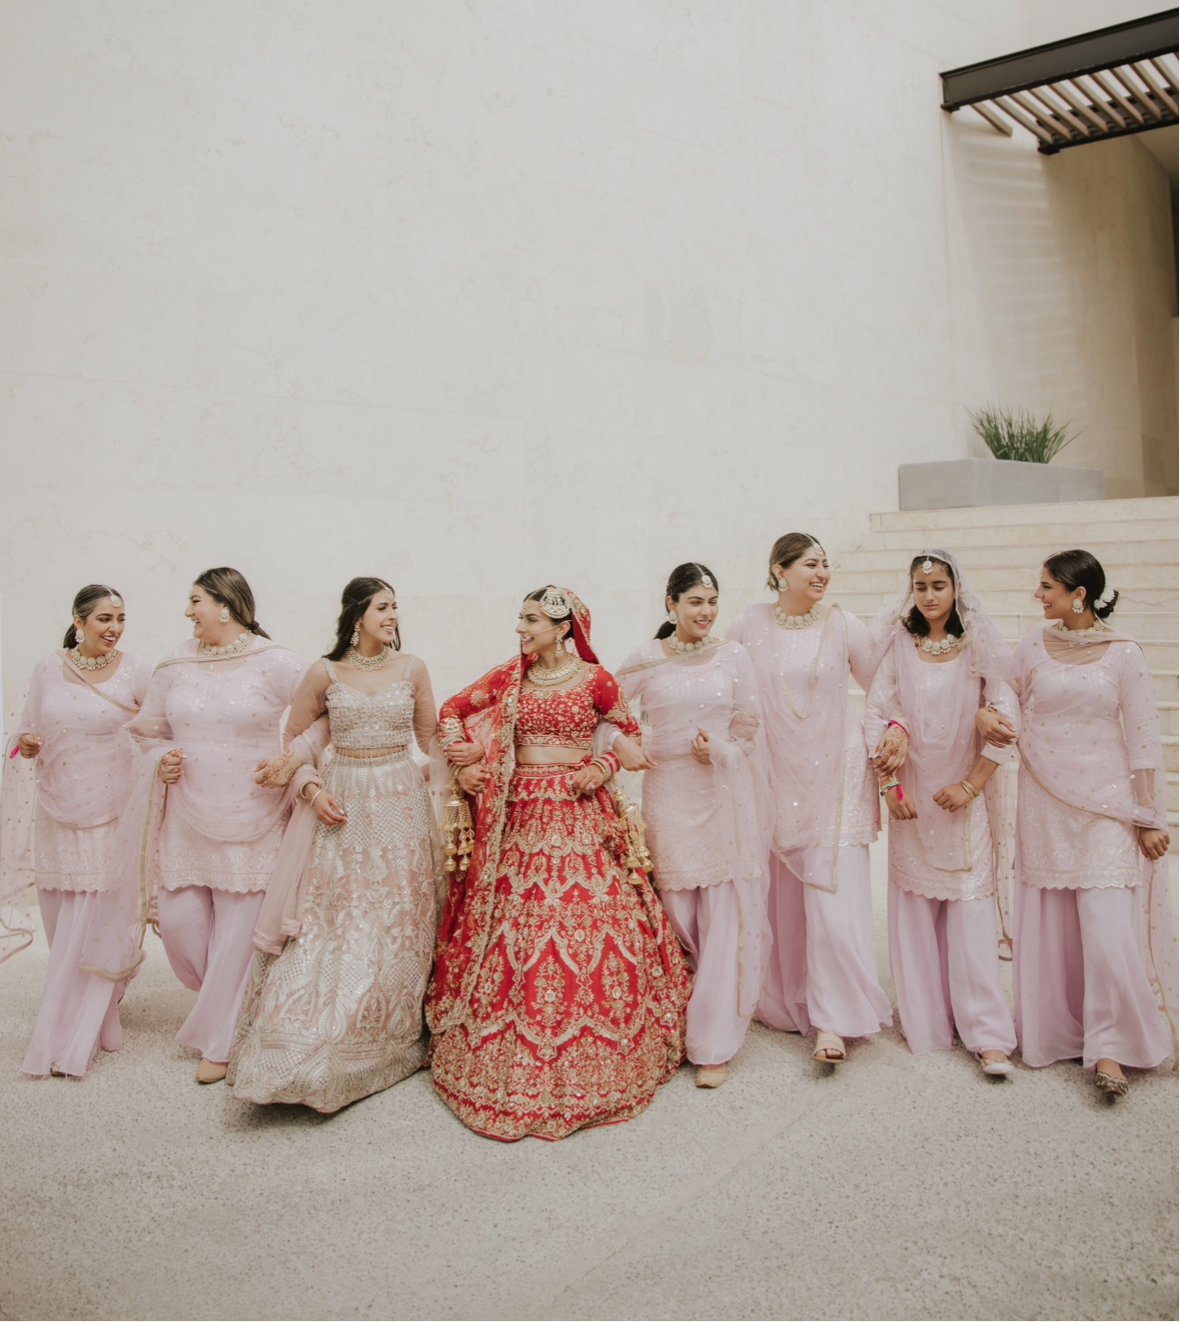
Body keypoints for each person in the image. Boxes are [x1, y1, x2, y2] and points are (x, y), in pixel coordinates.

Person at [426, 585, 691, 1140]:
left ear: (563, 626)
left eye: (530, 620)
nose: (520, 629)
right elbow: (453, 709)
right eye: (519, 618)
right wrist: (463, 754)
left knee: (586, 922)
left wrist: (601, 766)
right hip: (518, 813)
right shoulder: (508, 675)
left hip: (578, 811)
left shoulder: (596, 680)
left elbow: (627, 734)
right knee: (518, 928)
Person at [227, 578, 446, 1112]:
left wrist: (466, 763)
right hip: (341, 807)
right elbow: (294, 744)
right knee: (337, 924)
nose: (393, 615)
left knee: (398, 923)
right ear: (356, 614)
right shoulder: (324, 673)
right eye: (383, 607)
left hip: (400, 807)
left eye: (396, 606)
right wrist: (310, 787)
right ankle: (302, 1043)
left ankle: (385, 1036)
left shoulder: (413, 667)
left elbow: (431, 740)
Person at [983, 549, 1177, 1096]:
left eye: (1047, 587)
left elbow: (1142, 738)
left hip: (1109, 806)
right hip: (1046, 800)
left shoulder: (1124, 654)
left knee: (1107, 930)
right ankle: (1062, 1034)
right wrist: (989, 714)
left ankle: (1112, 1048)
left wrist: (1147, 817)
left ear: (1079, 595)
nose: (1038, 595)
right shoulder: (1030, 647)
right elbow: (1005, 695)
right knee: (1051, 926)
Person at [121, 568, 308, 1084]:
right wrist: (161, 757)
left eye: (195, 600)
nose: (187, 611)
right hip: (188, 813)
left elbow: (325, 708)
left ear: (225, 605)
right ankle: (240, 1003)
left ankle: (222, 1040)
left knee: (237, 933)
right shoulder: (176, 664)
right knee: (179, 921)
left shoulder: (274, 662)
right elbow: (145, 731)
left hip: (255, 814)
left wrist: (294, 760)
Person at [727, 533, 894, 1063]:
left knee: (833, 895)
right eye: (810, 565)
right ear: (779, 570)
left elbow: (884, 686)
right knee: (785, 894)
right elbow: (725, 684)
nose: (822, 574)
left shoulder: (845, 626)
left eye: (827, 564)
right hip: (777, 774)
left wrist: (895, 727)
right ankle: (791, 996)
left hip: (838, 774)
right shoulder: (748, 625)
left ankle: (834, 1020)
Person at [616, 562, 771, 1089]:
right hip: (668, 794)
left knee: (723, 913)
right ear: (671, 604)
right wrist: (622, 744)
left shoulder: (734, 655)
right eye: (694, 603)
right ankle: (673, 1021)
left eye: (711, 602)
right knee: (678, 911)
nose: (705, 613)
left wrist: (723, 749)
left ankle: (713, 1042)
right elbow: (604, 710)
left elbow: (749, 723)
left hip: (721, 792)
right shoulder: (646, 658)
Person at [865, 551, 1017, 1075]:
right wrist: (888, 784)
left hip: (962, 795)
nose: (929, 595)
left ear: (956, 587)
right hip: (912, 797)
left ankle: (989, 1035)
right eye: (920, 586)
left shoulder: (979, 645)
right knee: (913, 911)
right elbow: (876, 710)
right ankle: (927, 1024)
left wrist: (971, 786)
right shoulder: (900, 646)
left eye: (938, 585)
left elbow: (1005, 717)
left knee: (970, 912)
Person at [0, 585, 151, 1076]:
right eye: (104, 618)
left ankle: (72, 1036)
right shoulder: (48, 667)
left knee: (97, 914)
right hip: (57, 809)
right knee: (61, 918)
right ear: (78, 620)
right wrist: (27, 742)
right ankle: (103, 1013)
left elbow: (159, 730)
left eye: (121, 618)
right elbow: (23, 733)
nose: (114, 628)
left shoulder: (136, 671)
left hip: (112, 810)